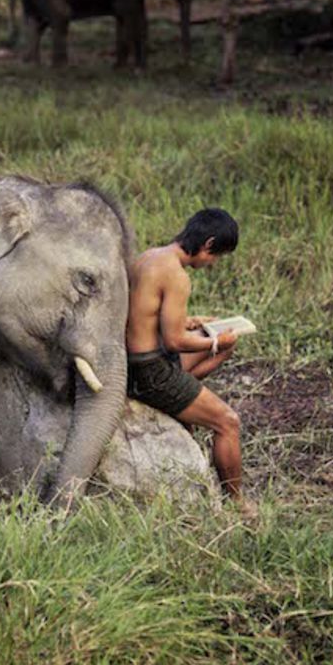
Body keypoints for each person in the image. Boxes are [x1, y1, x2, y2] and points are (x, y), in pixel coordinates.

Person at [125, 208, 252, 512]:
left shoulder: (149, 257)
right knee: (228, 423)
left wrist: (193, 322)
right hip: (150, 371)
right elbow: (174, 341)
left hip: (135, 360)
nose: (212, 265)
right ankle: (238, 504)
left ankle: (184, 403)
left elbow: (145, 315)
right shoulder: (178, 276)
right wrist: (217, 339)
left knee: (223, 349)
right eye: (216, 257)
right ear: (208, 244)